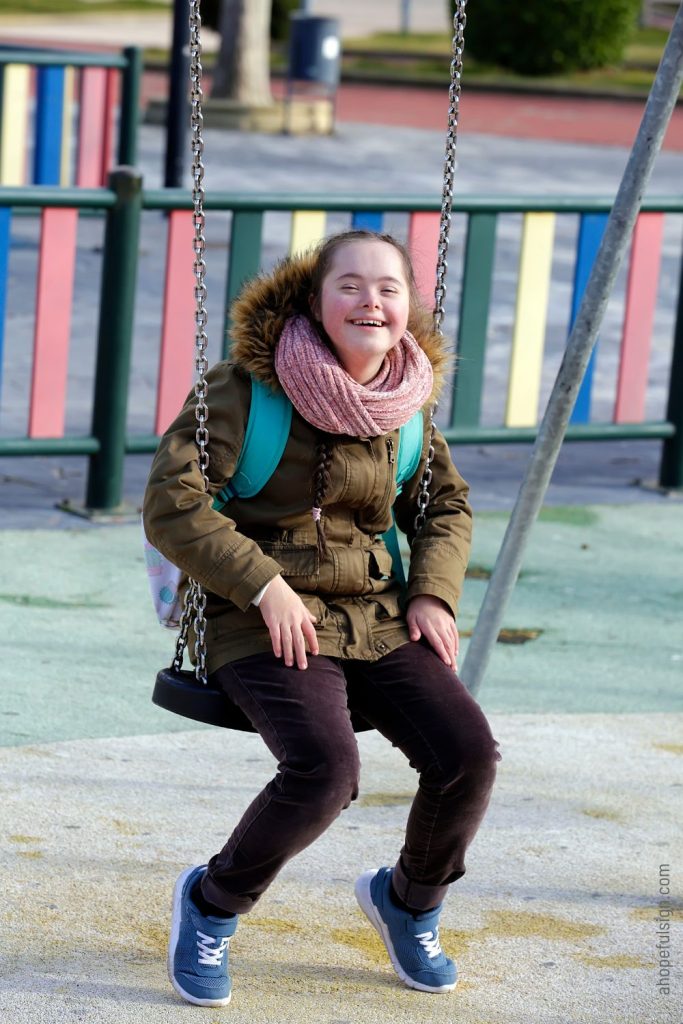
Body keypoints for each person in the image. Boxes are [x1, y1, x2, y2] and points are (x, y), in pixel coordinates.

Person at [143, 229, 501, 1007]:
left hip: (374, 611)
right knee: (325, 772)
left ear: (407, 309)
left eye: (388, 289)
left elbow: (443, 504)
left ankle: (408, 901)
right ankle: (212, 904)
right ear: (313, 299)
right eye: (350, 285)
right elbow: (173, 504)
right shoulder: (245, 391)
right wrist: (261, 583)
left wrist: (433, 592)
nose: (370, 302)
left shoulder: (406, 400)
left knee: (467, 754)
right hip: (257, 611)